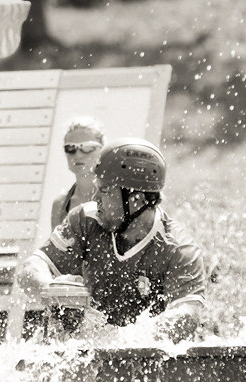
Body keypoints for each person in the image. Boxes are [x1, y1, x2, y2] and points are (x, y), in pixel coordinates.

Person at [19, 137, 207, 343]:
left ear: (136, 199)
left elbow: (188, 316)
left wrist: (121, 341)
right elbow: (31, 268)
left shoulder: (178, 249)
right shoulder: (84, 220)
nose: (95, 197)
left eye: (105, 190)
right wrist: (50, 289)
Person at [49, 116, 104, 229]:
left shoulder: (115, 197)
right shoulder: (60, 206)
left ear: (102, 150)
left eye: (87, 148)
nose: (78, 155)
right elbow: (55, 246)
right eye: (71, 148)